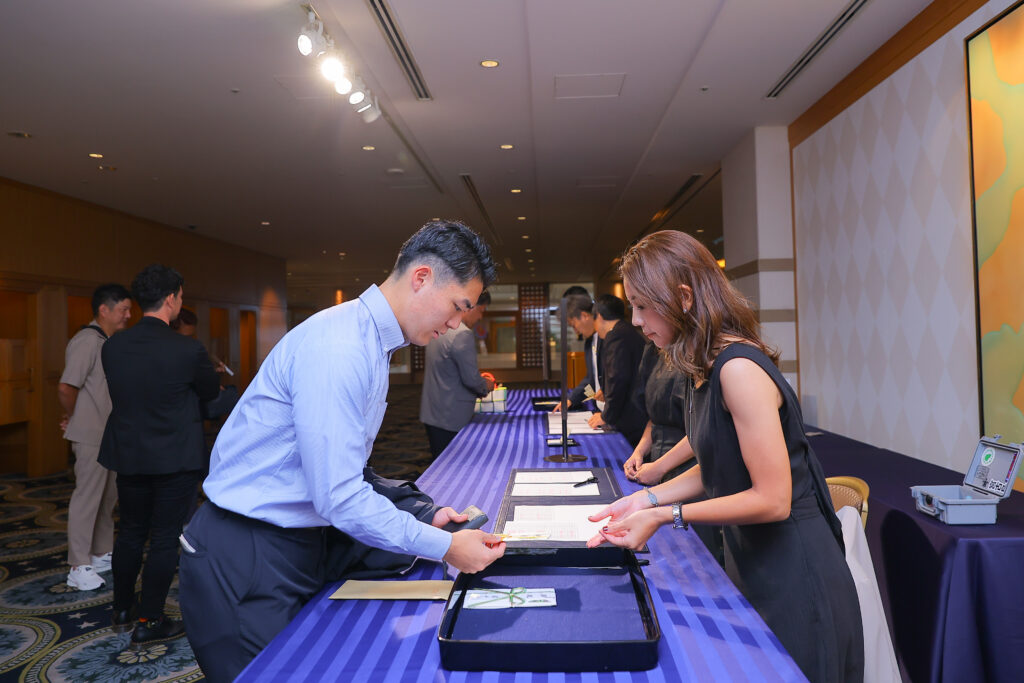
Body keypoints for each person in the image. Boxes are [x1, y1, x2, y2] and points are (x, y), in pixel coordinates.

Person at [178, 221, 506, 682]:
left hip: (293, 541)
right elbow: (340, 495)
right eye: (457, 307)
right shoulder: (341, 347)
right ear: (421, 278)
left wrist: (420, 515)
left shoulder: (370, 341)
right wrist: (446, 547)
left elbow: (348, 466)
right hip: (245, 551)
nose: (456, 323)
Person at [587, 231, 863, 683]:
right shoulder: (705, 366)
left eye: (642, 305)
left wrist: (666, 514)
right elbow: (716, 463)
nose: (635, 321)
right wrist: (645, 501)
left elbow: (774, 499)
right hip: (756, 559)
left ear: (683, 297)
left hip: (795, 573)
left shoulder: (736, 368)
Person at [99, 264, 221, 646]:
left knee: (131, 531)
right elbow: (210, 394)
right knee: (166, 537)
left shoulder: (113, 345)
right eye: (181, 296)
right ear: (170, 299)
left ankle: (121, 608)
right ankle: (150, 619)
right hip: (174, 458)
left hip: (130, 454)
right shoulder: (187, 349)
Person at [58, 283, 132, 591]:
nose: (128, 315)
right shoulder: (87, 341)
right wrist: (74, 417)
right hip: (90, 434)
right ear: (104, 309)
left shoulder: (107, 341)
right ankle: (78, 564)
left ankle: (101, 552)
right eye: (123, 310)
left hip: (109, 434)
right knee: (87, 498)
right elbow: (66, 387)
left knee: (107, 497)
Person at [623, 343, 724, 565]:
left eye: (642, 308)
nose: (637, 322)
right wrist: (640, 451)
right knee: (662, 550)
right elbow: (655, 416)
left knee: (694, 552)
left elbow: (702, 428)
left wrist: (660, 466)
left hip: (691, 460)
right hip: (659, 457)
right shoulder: (652, 351)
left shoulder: (703, 354)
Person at [420, 289, 494, 456]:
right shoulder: (462, 334)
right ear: (471, 306)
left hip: (433, 411)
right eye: (481, 311)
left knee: (439, 462)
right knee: (455, 464)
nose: (480, 317)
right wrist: (487, 384)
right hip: (452, 415)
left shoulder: (438, 327)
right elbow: (471, 380)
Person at [585, 294, 648, 447]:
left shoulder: (616, 335)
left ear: (598, 316)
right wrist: (606, 390)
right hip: (640, 413)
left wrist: (606, 416)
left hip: (633, 417)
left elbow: (618, 378)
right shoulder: (627, 331)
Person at [553, 293, 602, 412]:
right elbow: (591, 380)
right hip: (601, 410)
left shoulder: (607, 339)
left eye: (573, 325)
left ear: (585, 315)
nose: (576, 331)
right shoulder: (589, 342)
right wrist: (572, 399)